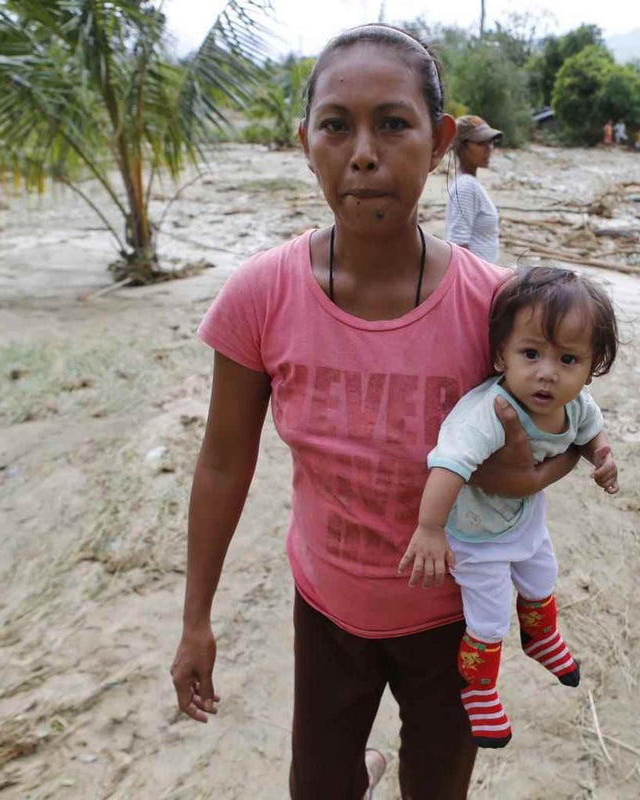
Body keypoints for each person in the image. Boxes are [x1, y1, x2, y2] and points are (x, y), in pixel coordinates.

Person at [169, 24, 582, 800]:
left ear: (439, 143)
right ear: (306, 142)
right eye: (336, 125)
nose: (363, 152)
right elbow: (224, 459)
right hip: (328, 610)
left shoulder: (496, 310)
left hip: (454, 616)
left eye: (393, 124)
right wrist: (196, 619)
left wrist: (528, 460)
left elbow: (532, 453)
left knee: (437, 788)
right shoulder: (262, 296)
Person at [398, 267, 620, 748]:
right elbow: (449, 466)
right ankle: (478, 689)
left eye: (568, 359)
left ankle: (541, 638)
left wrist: (602, 458)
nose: (547, 372)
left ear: (591, 367)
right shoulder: (488, 412)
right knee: (490, 615)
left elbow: (590, 433)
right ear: (502, 353)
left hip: (524, 522)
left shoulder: (576, 404)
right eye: (531, 353)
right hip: (475, 537)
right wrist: (430, 528)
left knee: (542, 576)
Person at [446, 114, 502, 262]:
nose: (489, 149)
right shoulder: (466, 186)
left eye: (490, 142)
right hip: (477, 281)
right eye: (481, 143)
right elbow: (459, 245)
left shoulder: (470, 183)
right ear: (462, 146)